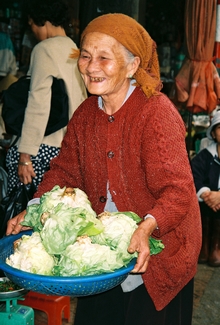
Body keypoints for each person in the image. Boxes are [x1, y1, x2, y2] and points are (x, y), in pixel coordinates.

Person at [6, 13, 201, 325]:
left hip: (159, 256)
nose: (91, 67)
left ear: (133, 65)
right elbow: (63, 172)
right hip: (103, 250)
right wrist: (34, 209)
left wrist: (147, 226)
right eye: (85, 55)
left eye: (104, 58)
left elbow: (178, 192)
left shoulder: (156, 114)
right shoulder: (85, 115)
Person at [5, 0, 87, 194]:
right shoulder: (75, 49)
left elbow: (38, 103)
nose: (32, 30)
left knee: (25, 214)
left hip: (41, 149)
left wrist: (25, 155)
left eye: (31, 24)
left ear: (41, 20)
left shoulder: (44, 50)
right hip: (67, 151)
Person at [191, 110, 220, 267]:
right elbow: (194, 176)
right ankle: (204, 245)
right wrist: (206, 195)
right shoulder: (204, 155)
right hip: (206, 203)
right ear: (214, 134)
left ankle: (216, 245)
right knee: (203, 214)